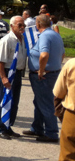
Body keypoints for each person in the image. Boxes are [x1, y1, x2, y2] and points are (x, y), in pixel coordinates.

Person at [24, 14, 65, 142]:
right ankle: (37, 128)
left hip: (44, 76)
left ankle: (51, 133)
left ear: (39, 24)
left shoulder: (45, 36)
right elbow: (62, 54)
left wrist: (41, 71)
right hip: (52, 73)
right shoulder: (55, 34)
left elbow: (44, 55)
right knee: (39, 102)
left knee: (46, 103)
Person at [0, 16, 27, 140]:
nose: (22, 27)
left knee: (14, 102)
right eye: (19, 25)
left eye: (23, 25)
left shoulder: (22, 39)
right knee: (5, 101)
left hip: (17, 73)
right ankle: (0, 128)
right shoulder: (7, 40)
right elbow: (0, 61)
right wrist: (3, 78)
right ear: (12, 26)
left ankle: (8, 127)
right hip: (8, 73)